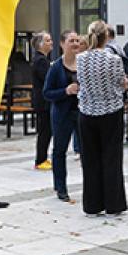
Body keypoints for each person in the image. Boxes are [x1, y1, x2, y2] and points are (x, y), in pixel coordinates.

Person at [77, 20, 128, 215]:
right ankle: (114, 203)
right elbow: (121, 82)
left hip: (87, 110)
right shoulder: (113, 59)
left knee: (90, 159)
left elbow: (81, 82)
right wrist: (123, 86)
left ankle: (92, 204)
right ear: (106, 36)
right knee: (112, 158)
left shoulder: (81, 59)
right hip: (110, 110)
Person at [43, 30, 81, 202]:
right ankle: (61, 187)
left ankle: (91, 186)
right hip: (62, 115)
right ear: (62, 44)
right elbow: (47, 93)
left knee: (87, 150)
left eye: (77, 41)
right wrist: (65, 91)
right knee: (60, 150)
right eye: (71, 41)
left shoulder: (83, 64)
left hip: (82, 113)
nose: (75, 44)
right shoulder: (56, 67)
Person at [30, 31, 53, 170]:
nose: (51, 43)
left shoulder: (42, 59)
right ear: (40, 44)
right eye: (48, 40)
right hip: (43, 102)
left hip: (43, 101)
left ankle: (42, 158)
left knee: (46, 130)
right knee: (45, 131)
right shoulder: (41, 61)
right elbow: (47, 79)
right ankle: (40, 160)